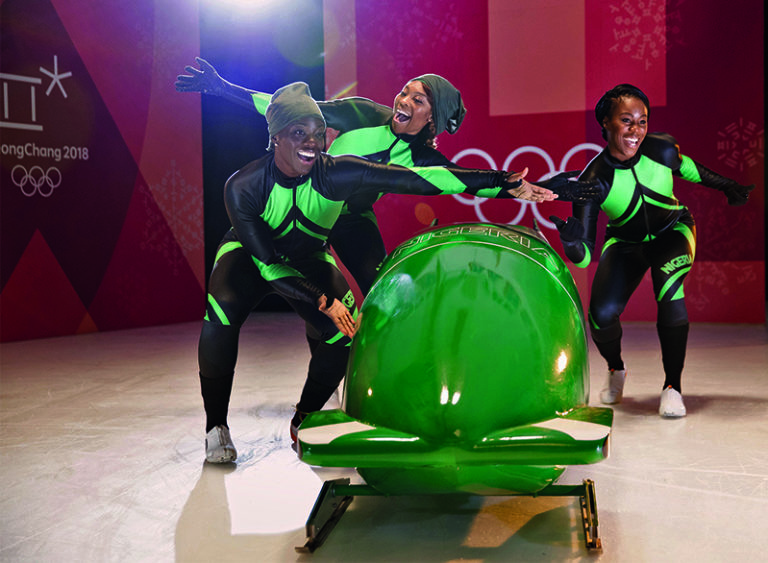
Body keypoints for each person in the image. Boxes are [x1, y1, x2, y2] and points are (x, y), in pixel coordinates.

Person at [200, 81, 546, 462]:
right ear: (276, 136)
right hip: (252, 257)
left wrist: (500, 182)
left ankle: (306, 417)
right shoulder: (243, 185)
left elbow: (420, 180)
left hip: (313, 251)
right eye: (299, 133)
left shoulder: (337, 173)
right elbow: (268, 265)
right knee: (222, 310)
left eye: (317, 134)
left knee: (345, 330)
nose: (311, 143)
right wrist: (321, 299)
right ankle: (216, 427)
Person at [176, 58, 598, 296]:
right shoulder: (361, 112)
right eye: (405, 91)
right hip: (307, 203)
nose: (404, 100)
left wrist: (542, 188)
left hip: (351, 221)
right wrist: (222, 88)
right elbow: (283, 108)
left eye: (419, 99)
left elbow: (462, 181)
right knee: (281, 277)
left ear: (433, 118)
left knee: (382, 288)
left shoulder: (424, 158)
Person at [550, 84, 754, 418]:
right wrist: (572, 242)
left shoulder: (661, 149)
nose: (636, 130)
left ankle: (672, 387)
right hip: (625, 243)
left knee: (668, 285)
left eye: (642, 121)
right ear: (605, 123)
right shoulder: (592, 180)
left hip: (673, 231)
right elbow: (584, 257)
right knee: (600, 315)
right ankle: (616, 369)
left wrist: (728, 186)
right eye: (626, 121)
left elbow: (691, 170)